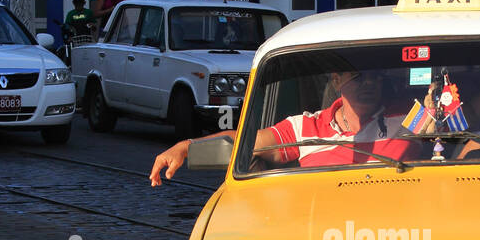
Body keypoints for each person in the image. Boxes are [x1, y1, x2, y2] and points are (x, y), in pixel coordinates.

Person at [150, 69, 434, 183]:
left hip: (397, 228)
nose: (368, 85)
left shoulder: (408, 118)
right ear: (337, 81)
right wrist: (187, 146)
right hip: (322, 233)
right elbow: (247, 141)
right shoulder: (305, 127)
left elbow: (462, 134)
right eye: (358, 77)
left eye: (374, 78)